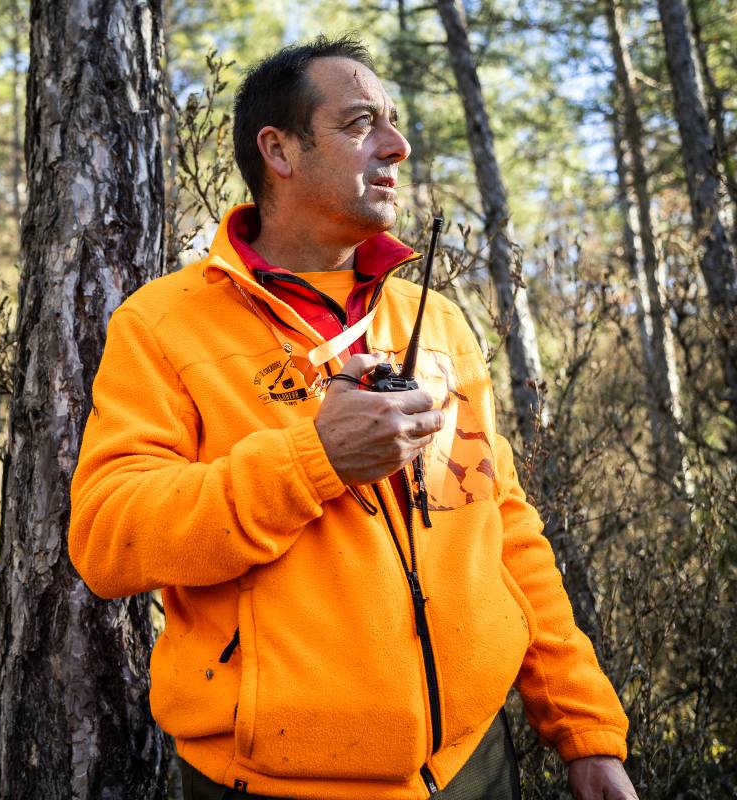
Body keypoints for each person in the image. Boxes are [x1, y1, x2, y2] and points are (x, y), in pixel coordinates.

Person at [69, 35, 638, 800]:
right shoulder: (164, 325)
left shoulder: (437, 320)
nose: (397, 145)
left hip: (474, 763)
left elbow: (502, 526)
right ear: (279, 150)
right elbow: (108, 536)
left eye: (393, 122)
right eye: (362, 122)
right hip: (279, 781)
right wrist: (315, 460)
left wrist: (583, 729)